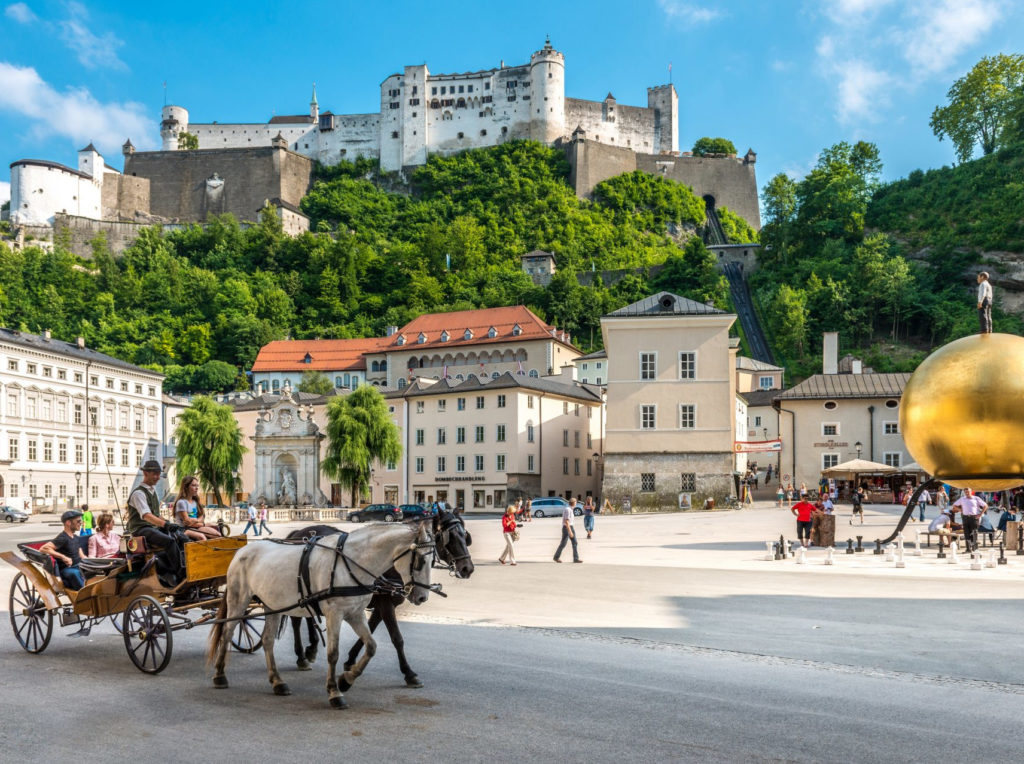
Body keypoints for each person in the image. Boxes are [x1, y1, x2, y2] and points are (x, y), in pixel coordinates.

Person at [126, 460, 185, 586]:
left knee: (181, 537)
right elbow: (147, 516)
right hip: (141, 529)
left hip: (152, 527)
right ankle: (181, 574)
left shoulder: (152, 492)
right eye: (155, 474)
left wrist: (169, 523)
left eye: (158, 474)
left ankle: (180, 566)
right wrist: (165, 525)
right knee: (169, 541)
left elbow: (156, 515)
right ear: (145, 473)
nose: (158, 477)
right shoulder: (138, 493)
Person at [40, 510, 87, 590]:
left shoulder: (76, 538)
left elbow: (82, 556)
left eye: (81, 521)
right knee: (75, 573)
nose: (81, 523)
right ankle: (84, 593)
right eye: (78, 521)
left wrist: (94, 562)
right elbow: (43, 548)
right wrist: (63, 557)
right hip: (67, 569)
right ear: (68, 522)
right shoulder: (63, 538)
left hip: (78, 566)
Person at [174, 476, 222, 541]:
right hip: (184, 529)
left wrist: (195, 520)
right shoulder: (181, 502)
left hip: (196, 527)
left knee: (217, 534)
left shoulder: (195, 502)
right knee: (202, 537)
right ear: (186, 487)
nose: (196, 488)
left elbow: (201, 517)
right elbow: (187, 523)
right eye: (193, 485)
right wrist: (203, 524)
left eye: (197, 486)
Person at [952, 487, 987, 553]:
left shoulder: (976, 498)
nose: (967, 493)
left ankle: (975, 549)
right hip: (965, 517)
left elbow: (985, 505)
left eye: (968, 492)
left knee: (974, 533)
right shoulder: (962, 499)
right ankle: (968, 549)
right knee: (966, 533)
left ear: (971, 492)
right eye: (966, 492)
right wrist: (960, 510)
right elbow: (954, 505)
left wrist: (980, 514)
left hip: (974, 518)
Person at [553, 498, 582, 563]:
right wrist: (570, 531)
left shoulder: (570, 509)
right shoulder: (568, 510)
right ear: (573, 503)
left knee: (575, 542)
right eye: (576, 502)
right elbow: (566, 521)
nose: (576, 503)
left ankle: (576, 558)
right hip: (567, 528)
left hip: (571, 527)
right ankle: (556, 557)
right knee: (563, 543)